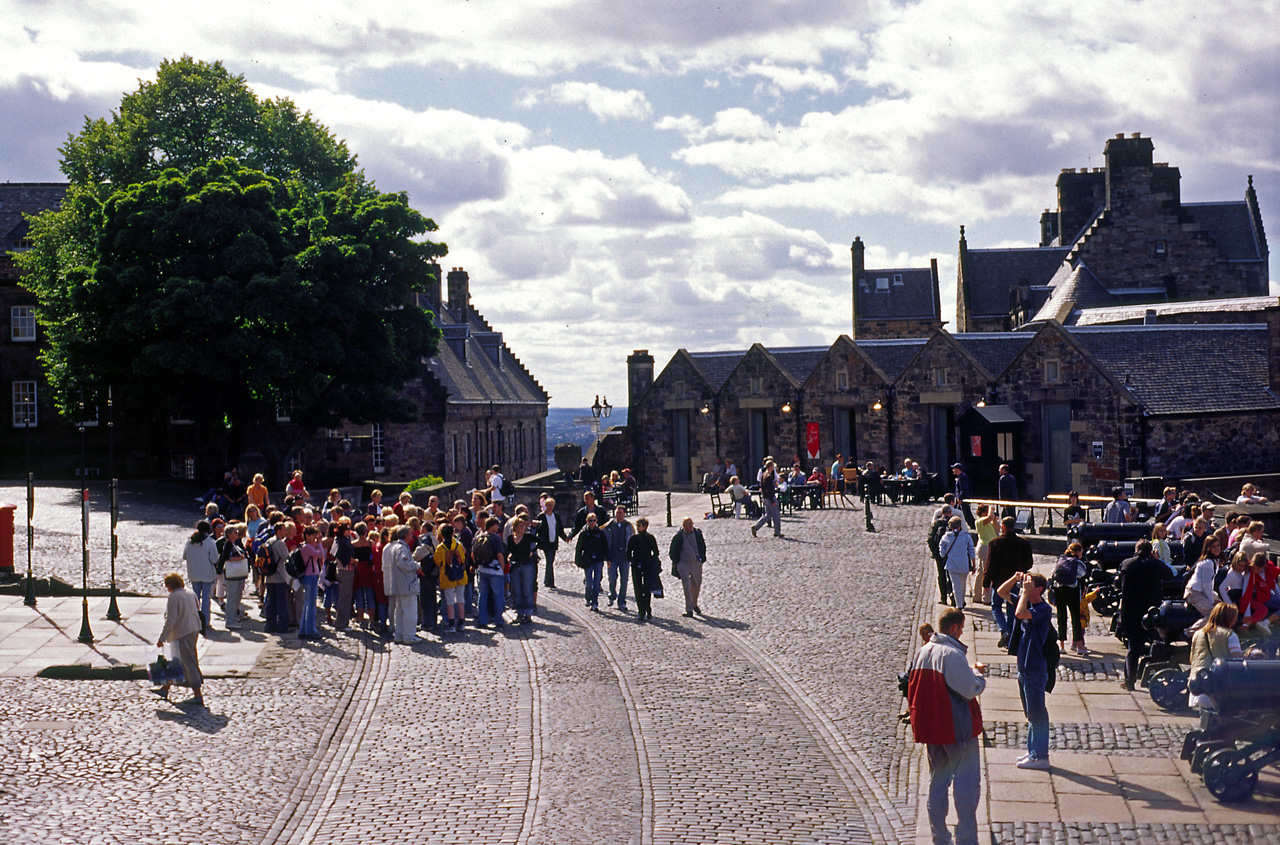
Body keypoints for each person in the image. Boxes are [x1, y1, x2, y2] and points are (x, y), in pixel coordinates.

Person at [906, 607, 986, 845]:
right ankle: (966, 838)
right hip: (956, 729)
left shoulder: (923, 651)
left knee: (938, 782)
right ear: (954, 628)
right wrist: (978, 675)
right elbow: (968, 689)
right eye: (961, 628)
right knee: (966, 785)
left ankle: (939, 837)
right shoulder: (951, 654)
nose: (962, 632)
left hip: (933, 730)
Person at [1001, 571, 1052, 769]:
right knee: (1031, 713)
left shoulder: (1043, 609)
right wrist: (1015, 578)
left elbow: (1020, 614)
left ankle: (1041, 756)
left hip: (1035, 667)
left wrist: (1024, 593)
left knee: (1037, 713)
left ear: (1038, 589)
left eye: (1029, 585)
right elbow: (1001, 592)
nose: (1024, 587)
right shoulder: (1027, 603)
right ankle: (1033, 752)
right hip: (1024, 666)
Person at [1118, 539, 1168, 688]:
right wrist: (1157, 560)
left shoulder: (1127, 564)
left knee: (1133, 649)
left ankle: (1129, 681)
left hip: (1133, 612)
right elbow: (1169, 575)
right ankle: (1155, 677)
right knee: (1158, 644)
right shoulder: (1155, 565)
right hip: (1152, 613)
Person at [152, 572, 204, 706]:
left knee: (188, 662)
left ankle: (198, 694)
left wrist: (161, 639)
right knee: (175, 662)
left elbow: (171, 621)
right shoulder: (190, 593)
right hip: (193, 629)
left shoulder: (174, 597)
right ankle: (165, 688)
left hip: (182, 633)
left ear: (170, 585)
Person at [984, 516, 1032, 648]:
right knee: (1012, 607)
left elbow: (990, 564)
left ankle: (1004, 630)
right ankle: (1011, 638)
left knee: (996, 606)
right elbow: (1029, 563)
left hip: (999, 581)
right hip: (1017, 581)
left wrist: (986, 581)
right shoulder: (1023, 543)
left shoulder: (995, 542)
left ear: (1003, 527)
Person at [1188, 603, 1243, 710]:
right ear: (1229, 618)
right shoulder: (1229, 635)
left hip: (1198, 685)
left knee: (1205, 720)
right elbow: (1237, 659)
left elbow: (1192, 658)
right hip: (1216, 687)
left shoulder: (1198, 634)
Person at [383, 526, 419, 644]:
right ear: (405, 535)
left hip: (399, 584)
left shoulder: (395, 547)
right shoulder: (402, 548)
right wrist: (416, 565)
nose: (412, 534)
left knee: (399, 611)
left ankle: (399, 634)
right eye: (410, 533)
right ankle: (409, 635)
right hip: (406, 585)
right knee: (410, 611)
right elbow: (404, 564)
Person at [182, 520, 219, 635]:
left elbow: (184, 556)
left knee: (195, 597)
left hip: (194, 573)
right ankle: (205, 621)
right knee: (206, 598)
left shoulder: (190, 542)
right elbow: (214, 559)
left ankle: (194, 620)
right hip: (207, 573)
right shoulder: (210, 542)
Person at [1052, 542, 1088, 655]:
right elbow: (1082, 579)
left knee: (1061, 618)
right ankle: (1079, 646)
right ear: (1078, 552)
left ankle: (1061, 646)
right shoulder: (1079, 563)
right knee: (1076, 619)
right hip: (1072, 592)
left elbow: (1054, 574)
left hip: (1059, 591)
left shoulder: (1061, 559)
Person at [669, 517, 707, 618]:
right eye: (688, 524)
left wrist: (702, 559)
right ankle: (689, 609)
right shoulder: (679, 536)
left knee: (696, 585)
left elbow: (702, 546)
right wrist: (678, 563)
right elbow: (673, 551)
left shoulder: (697, 534)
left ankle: (694, 603)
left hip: (696, 563)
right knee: (687, 586)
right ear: (683, 525)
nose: (690, 526)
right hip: (684, 564)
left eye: (691, 524)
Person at [627, 517, 663, 622]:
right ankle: (641, 611)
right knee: (638, 589)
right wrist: (632, 561)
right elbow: (628, 552)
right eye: (637, 525)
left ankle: (648, 608)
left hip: (647, 566)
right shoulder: (633, 538)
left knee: (647, 589)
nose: (637, 527)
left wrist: (651, 561)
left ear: (645, 526)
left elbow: (656, 552)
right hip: (636, 566)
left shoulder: (650, 538)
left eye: (639, 525)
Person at [937, 516, 976, 610]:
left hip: (951, 565)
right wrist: (974, 564)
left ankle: (959, 605)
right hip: (964, 564)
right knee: (963, 584)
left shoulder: (945, 537)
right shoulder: (966, 536)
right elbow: (971, 551)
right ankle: (961, 601)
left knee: (956, 585)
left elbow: (942, 553)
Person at [574, 512, 609, 611]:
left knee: (597, 582)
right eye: (590, 520)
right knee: (589, 582)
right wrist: (577, 561)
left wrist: (608, 558)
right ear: (587, 521)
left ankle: (595, 602)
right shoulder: (584, 533)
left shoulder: (600, 533)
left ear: (596, 521)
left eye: (594, 520)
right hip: (588, 560)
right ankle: (588, 598)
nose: (592, 522)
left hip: (598, 559)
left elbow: (605, 546)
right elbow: (579, 548)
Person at [435, 522, 468, 632]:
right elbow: (464, 556)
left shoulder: (440, 547)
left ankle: (452, 625)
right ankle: (462, 623)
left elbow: (437, 561)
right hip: (460, 575)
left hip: (447, 576)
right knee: (460, 600)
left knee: (449, 602)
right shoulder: (459, 545)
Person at [507, 517, 538, 624]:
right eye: (521, 526)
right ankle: (520, 614)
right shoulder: (510, 538)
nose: (523, 528)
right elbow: (510, 550)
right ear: (515, 527)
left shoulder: (528, 537)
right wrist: (510, 555)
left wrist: (532, 551)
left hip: (526, 565)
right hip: (515, 566)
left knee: (527, 590)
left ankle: (528, 614)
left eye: (524, 526)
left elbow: (541, 541)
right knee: (518, 591)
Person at [218, 523, 250, 631]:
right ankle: (230, 621)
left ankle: (233, 618)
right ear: (229, 534)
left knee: (235, 596)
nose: (237, 534)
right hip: (232, 575)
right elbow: (225, 558)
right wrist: (239, 559)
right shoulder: (228, 544)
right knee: (231, 597)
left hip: (236, 575)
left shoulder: (233, 544)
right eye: (235, 532)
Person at [533, 495, 569, 588]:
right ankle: (550, 582)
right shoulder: (541, 516)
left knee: (551, 561)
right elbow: (537, 529)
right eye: (549, 505)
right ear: (545, 505)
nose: (550, 507)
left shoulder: (556, 515)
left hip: (554, 541)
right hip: (545, 542)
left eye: (552, 505)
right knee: (549, 560)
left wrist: (565, 537)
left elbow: (559, 528)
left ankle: (546, 580)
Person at [1240, 552, 1280, 635]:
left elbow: (1273, 583)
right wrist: (1246, 613)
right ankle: (1266, 622)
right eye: (1253, 568)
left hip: (1265, 593)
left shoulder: (1267, 571)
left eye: (1257, 569)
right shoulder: (1249, 574)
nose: (1255, 571)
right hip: (1259, 595)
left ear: (1263, 567)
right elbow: (1246, 592)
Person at [603, 505, 634, 612]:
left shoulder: (628, 526)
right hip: (613, 557)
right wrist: (607, 557)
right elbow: (606, 543)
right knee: (612, 578)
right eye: (617, 512)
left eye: (620, 513)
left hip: (625, 558)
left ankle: (622, 601)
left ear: (624, 514)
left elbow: (631, 541)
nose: (618, 514)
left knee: (624, 580)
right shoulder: (609, 526)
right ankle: (612, 595)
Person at [926, 505, 955, 605]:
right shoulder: (954, 523)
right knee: (952, 575)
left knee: (941, 575)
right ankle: (953, 596)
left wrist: (935, 552)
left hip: (939, 554)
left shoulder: (936, 523)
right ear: (950, 512)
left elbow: (930, 538)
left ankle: (943, 598)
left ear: (941, 513)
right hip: (951, 554)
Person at [972, 504, 998, 604]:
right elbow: (990, 517)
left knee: (981, 571)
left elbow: (997, 530)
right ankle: (986, 598)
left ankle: (977, 595)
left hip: (988, 546)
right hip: (985, 547)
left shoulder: (989, 522)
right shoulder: (979, 521)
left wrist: (995, 520)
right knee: (988, 572)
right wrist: (991, 508)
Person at [751, 460, 782, 538]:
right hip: (770, 497)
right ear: (771, 466)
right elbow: (769, 490)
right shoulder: (769, 476)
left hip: (765, 498)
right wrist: (772, 500)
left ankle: (756, 527)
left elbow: (762, 488)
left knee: (767, 515)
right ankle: (777, 532)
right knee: (776, 515)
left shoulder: (763, 475)